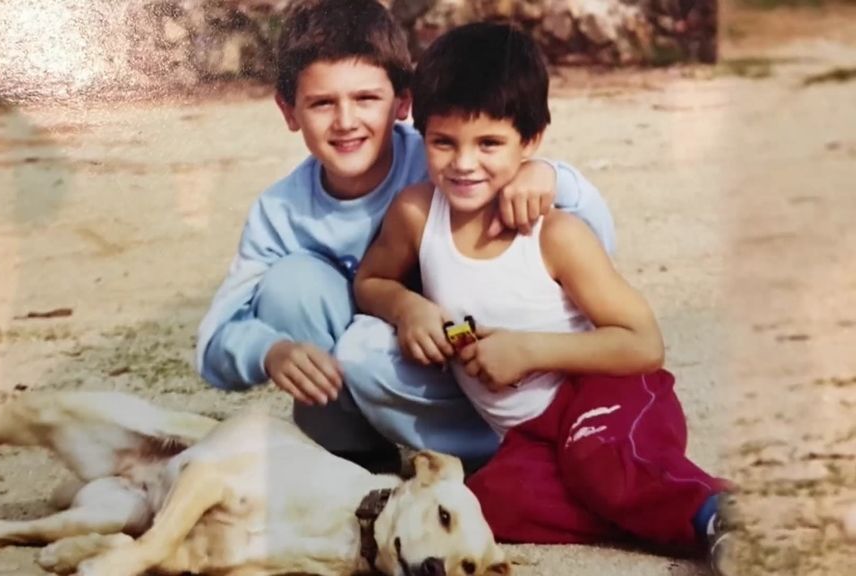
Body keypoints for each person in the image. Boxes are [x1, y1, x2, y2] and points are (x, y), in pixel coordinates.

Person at [352, 21, 732, 574]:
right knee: (492, 502)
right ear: (423, 133)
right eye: (443, 142)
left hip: (607, 393)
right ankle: (655, 511)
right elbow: (371, 281)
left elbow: (645, 344)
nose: (463, 163)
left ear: (530, 141)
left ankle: (717, 512)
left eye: (489, 143)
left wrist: (530, 350)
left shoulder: (554, 236)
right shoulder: (415, 214)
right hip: (526, 437)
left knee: (596, 458)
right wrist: (405, 307)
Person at [194, 0, 615, 473]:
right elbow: (214, 340)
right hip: (388, 364)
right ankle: (354, 455)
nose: (346, 121)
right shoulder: (281, 211)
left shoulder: (449, 157)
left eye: (366, 98)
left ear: (403, 102)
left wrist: (553, 177)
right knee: (292, 287)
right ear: (288, 110)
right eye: (321, 103)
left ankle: (499, 454)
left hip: (494, 363)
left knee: (371, 347)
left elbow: (595, 246)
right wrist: (268, 351)